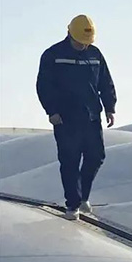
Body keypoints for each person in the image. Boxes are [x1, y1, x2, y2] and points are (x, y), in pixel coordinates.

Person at [36, 14, 117, 220]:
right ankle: (72, 205)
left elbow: (105, 82)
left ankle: (82, 197)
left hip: (91, 116)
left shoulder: (95, 54)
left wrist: (110, 107)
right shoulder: (53, 55)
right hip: (65, 118)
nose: (83, 46)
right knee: (70, 160)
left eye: (87, 42)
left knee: (96, 156)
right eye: (80, 42)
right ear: (70, 34)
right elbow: (44, 85)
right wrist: (52, 111)